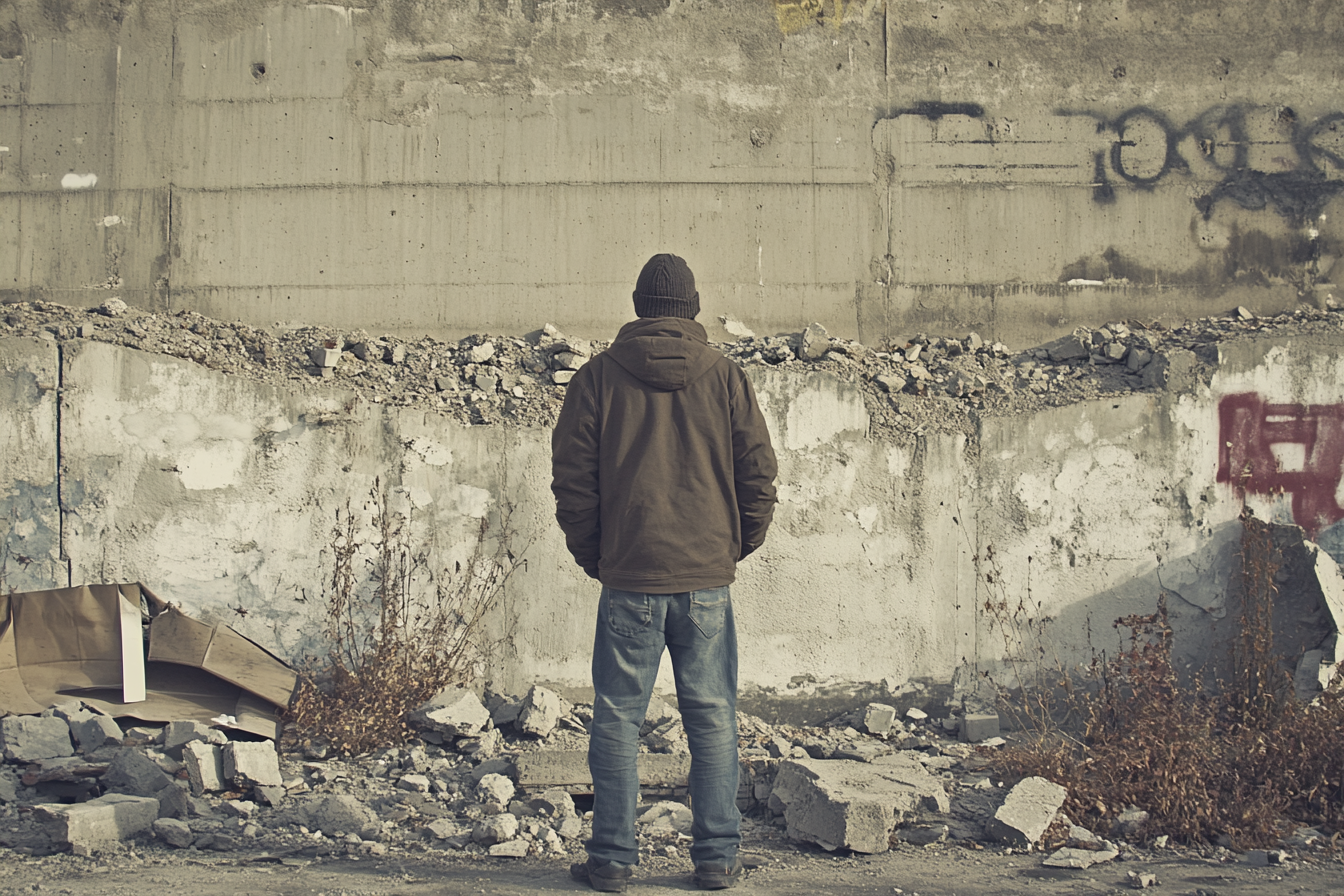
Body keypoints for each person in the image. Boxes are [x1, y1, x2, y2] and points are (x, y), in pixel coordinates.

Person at [551, 253, 778, 892]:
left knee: (618, 717)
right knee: (712, 716)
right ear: (693, 308)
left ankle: (613, 861)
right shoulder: (727, 377)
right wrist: (732, 549)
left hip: (629, 578)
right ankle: (716, 859)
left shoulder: (596, 379)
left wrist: (598, 556)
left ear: (637, 305)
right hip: (706, 579)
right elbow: (759, 476)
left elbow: (573, 484)